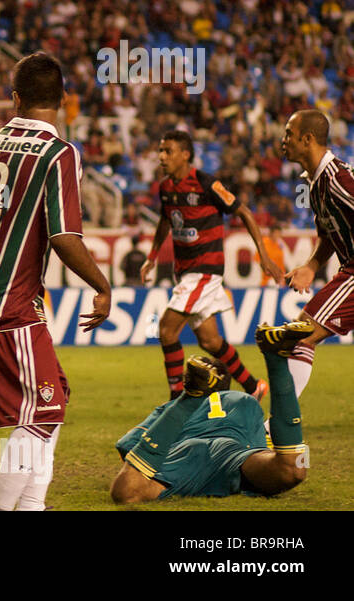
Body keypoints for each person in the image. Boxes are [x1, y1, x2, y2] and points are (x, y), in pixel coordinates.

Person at [0, 52, 112, 511]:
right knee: (43, 410)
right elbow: (64, 238)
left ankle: (31, 506)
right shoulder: (58, 154)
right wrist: (103, 285)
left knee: (53, 395)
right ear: (63, 100)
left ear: (15, 98)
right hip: (10, 304)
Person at [139, 130, 283, 400]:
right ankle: (253, 386)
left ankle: (176, 399)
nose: (161, 156)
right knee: (209, 341)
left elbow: (244, 212)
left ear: (185, 154)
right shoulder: (166, 188)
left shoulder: (207, 184)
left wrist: (263, 255)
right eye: (160, 150)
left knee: (167, 330)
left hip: (205, 270)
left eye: (167, 151)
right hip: (186, 272)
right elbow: (165, 220)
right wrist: (152, 256)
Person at [109, 322, 310, 503]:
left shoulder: (167, 410)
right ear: (226, 387)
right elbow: (267, 447)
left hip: (185, 456)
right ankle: (276, 360)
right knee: (295, 470)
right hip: (237, 454)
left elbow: (126, 444)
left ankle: (190, 399)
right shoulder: (246, 401)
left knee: (127, 493)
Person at [274, 109, 354, 401]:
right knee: (299, 334)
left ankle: (280, 426)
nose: (283, 141)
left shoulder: (337, 179)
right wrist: (312, 264)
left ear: (307, 139)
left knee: (301, 334)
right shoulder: (315, 182)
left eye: (288, 135)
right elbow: (329, 234)